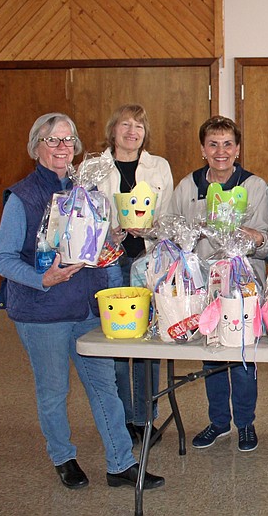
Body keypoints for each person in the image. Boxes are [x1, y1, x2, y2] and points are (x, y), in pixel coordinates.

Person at [0, 113, 164, 490]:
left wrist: (110, 258)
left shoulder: (90, 195)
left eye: (69, 141)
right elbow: (2, 259)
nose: (62, 148)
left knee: (105, 387)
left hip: (87, 310)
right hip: (42, 312)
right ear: (36, 146)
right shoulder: (22, 198)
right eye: (53, 140)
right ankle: (63, 457)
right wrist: (42, 278)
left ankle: (121, 463)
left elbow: (99, 254)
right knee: (54, 391)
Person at [171, 115, 268, 452]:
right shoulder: (189, 186)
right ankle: (218, 422)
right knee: (212, 354)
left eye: (228, 144)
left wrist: (247, 236)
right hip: (204, 284)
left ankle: (245, 422)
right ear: (202, 149)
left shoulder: (253, 186)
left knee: (242, 355)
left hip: (243, 284)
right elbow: (172, 231)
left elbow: (265, 242)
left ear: (238, 148)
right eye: (213, 144)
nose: (221, 151)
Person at [97, 104, 173, 446]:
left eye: (139, 126)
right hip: (108, 264)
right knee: (114, 342)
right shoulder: (93, 168)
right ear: (113, 130)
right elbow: (85, 216)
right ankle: (121, 418)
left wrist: (153, 228)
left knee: (146, 343)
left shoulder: (159, 167)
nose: (132, 131)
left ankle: (144, 418)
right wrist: (109, 231)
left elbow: (168, 216)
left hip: (146, 261)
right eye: (125, 124)